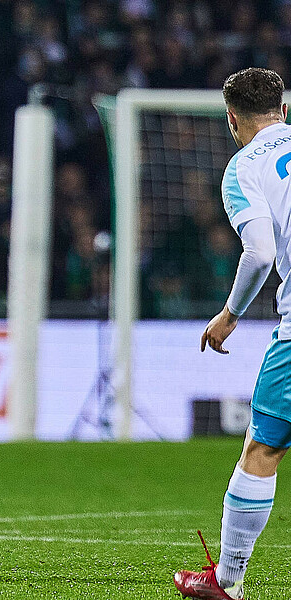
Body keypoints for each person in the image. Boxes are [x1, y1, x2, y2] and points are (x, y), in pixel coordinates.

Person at [174, 67, 290, 600]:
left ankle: (227, 581)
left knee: (261, 448)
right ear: (283, 111)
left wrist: (231, 313)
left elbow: (261, 251)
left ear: (233, 120)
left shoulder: (245, 166)